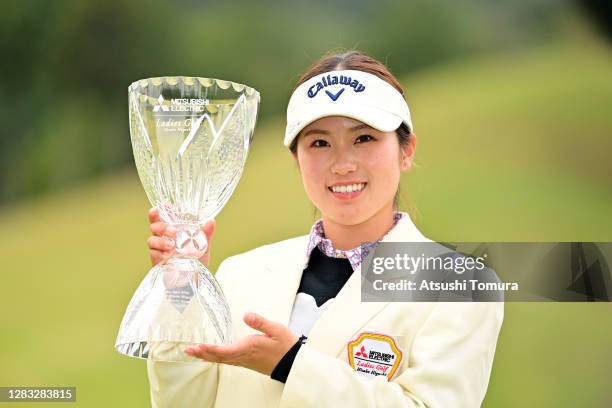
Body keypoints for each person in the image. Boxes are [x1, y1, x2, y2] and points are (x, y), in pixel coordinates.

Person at [145, 50, 504, 407]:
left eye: (364, 138)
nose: (343, 164)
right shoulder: (239, 273)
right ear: (296, 160)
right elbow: (183, 402)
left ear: (406, 149)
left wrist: (290, 363)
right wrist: (184, 290)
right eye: (319, 143)